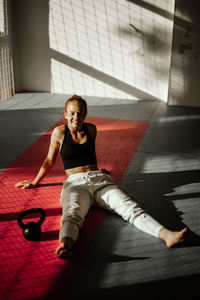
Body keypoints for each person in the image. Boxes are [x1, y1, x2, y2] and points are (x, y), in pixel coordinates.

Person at [15, 95, 187, 259]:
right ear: (65, 114)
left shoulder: (91, 129)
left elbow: (88, 156)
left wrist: (98, 171)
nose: (77, 117)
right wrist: (35, 181)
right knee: (72, 214)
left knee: (130, 208)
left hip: (100, 180)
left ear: (85, 114)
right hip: (75, 183)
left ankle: (167, 235)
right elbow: (49, 160)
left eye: (81, 113)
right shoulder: (59, 133)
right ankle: (65, 246)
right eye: (72, 113)